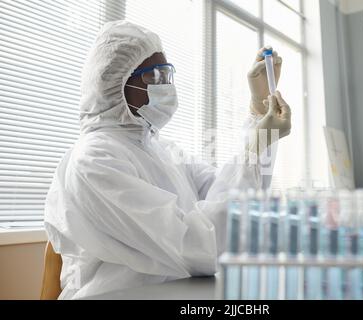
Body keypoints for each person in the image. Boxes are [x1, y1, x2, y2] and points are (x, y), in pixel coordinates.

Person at [44, 20, 291, 299]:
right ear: (115, 82)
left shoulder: (161, 149)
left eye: (167, 74)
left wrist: (258, 115)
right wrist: (256, 145)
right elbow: (202, 246)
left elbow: (229, 197)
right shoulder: (94, 160)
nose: (167, 86)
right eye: (155, 76)